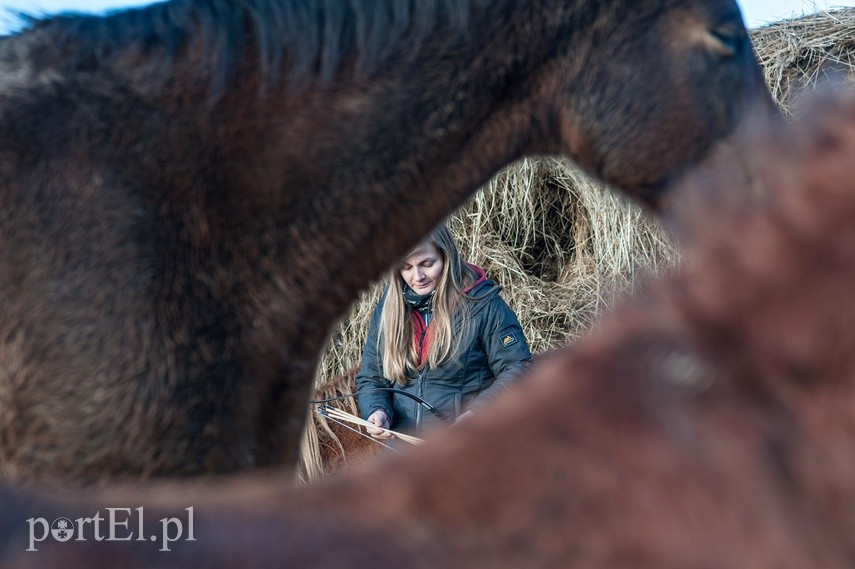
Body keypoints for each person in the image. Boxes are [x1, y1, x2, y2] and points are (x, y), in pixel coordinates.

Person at [356, 223, 532, 439]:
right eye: (406, 267)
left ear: (446, 257)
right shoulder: (388, 309)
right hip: (402, 448)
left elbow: (518, 367)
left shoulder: (484, 304)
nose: (417, 277)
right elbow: (372, 378)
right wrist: (376, 410)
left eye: (427, 264)